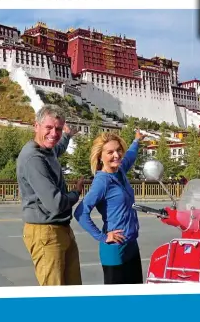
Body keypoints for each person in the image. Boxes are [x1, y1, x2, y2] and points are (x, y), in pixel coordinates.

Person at [17, 106, 85, 286]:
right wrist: (76, 193)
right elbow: (55, 203)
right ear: (36, 126)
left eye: (59, 129)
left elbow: (58, 147)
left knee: (72, 288)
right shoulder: (34, 159)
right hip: (45, 232)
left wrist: (68, 136)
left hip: (60, 228)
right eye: (49, 128)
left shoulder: (48, 150)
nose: (54, 133)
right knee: (54, 292)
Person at [75, 130, 144, 284]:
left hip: (131, 244)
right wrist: (103, 236)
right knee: (117, 301)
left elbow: (130, 156)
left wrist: (136, 140)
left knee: (136, 295)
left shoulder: (120, 171)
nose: (116, 155)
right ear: (100, 156)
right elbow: (81, 213)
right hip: (115, 249)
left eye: (119, 150)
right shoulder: (102, 181)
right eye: (110, 152)